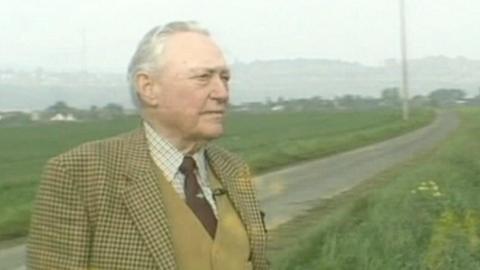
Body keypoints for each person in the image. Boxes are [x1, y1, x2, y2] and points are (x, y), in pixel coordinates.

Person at [27, 21, 268, 270]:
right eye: (203, 77)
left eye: (224, 77)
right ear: (148, 88)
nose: (222, 93)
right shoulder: (80, 175)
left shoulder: (233, 168)